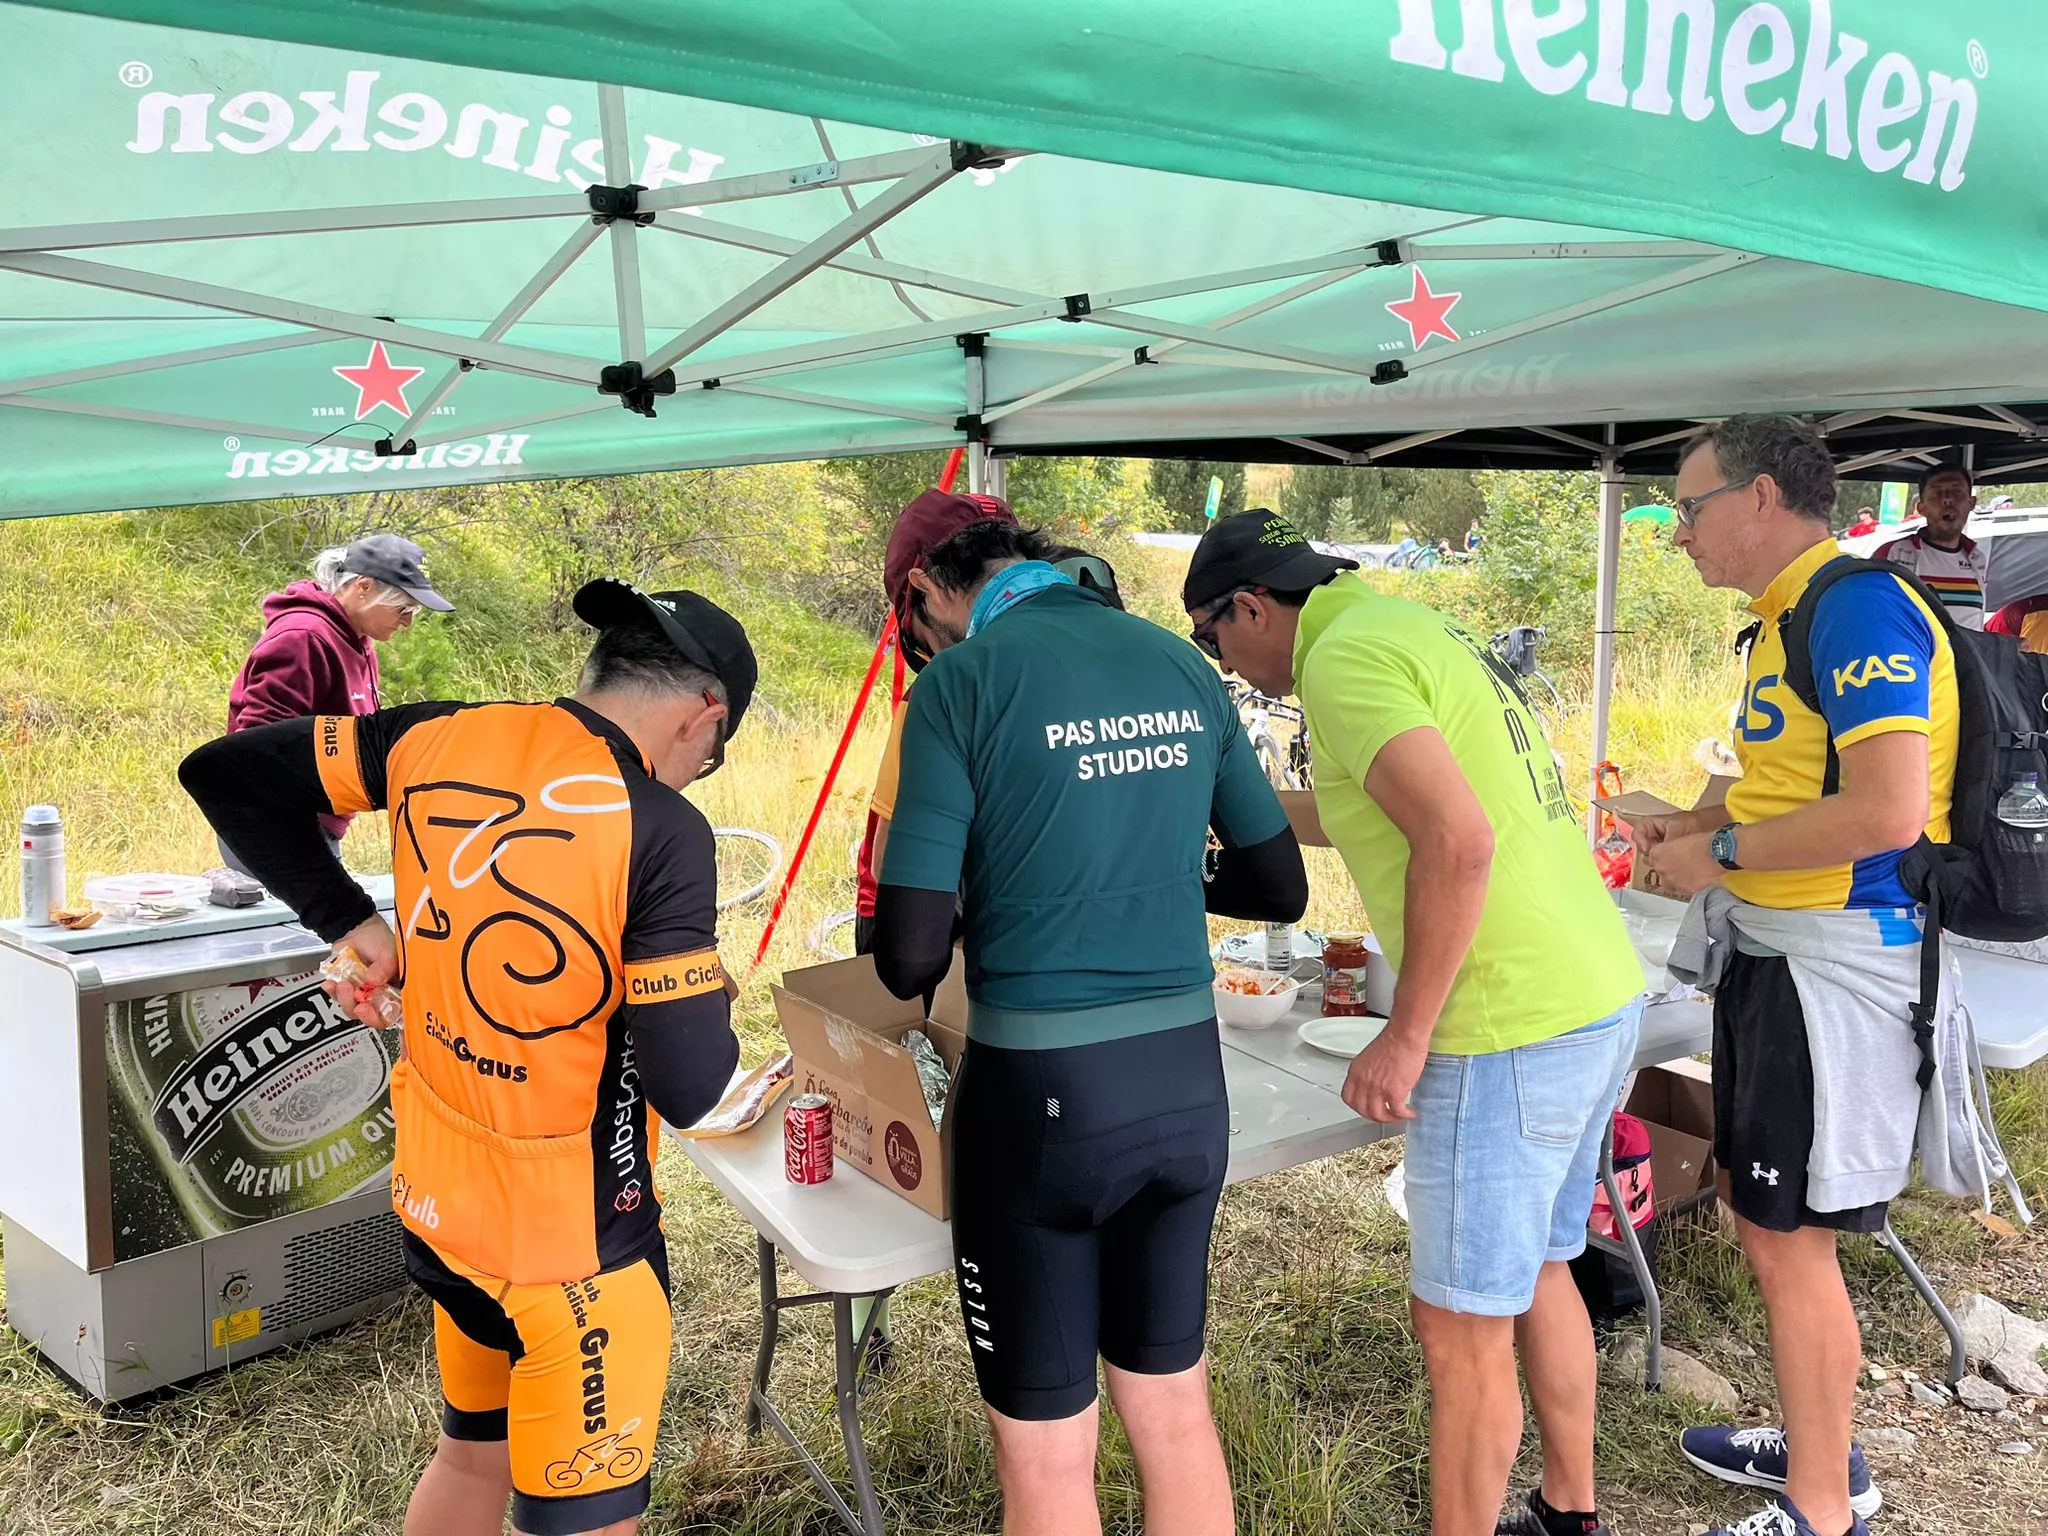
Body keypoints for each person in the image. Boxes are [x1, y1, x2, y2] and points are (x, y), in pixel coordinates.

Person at [180, 579, 753, 1536]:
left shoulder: (436, 734)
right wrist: (706, 1000)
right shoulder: (661, 827)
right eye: (713, 758)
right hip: (579, 1254)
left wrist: (353, 923)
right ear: (707, 714)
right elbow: (693, 1086)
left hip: (443, 1207)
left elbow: (223, 771)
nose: (696, 777)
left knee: (469, 1456)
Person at [1182, 509, 1646, 1536]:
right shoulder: (1398, 629)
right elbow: (1361, 804)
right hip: (1589, 991)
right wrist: (1218, 803)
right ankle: (1569, 1513)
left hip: (1506, 1022)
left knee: (1456, 1327)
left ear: (1248, 607)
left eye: (1213, 641)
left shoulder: (1340, 665)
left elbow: (1456, 839)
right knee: (1535, 1268)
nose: (1224, 664)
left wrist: (1406, 1033)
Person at [871, 517, 1306, 1536]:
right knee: (1170, 1405)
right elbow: (1276, 882)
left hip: (1037, 1103)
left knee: (1048, 1452)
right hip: (1185, 1088)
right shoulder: (1174, 660)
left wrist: (999, 875)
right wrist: (1150, 861)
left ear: (936, 586)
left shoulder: (960, 685)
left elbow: (906, 957)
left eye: (917, 622)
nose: (925, 644)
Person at [1640, 415, 1958, 1536]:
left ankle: (1823, 1505)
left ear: (1761, 496)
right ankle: (1815, 1439)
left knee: (1790, 1236)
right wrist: (1692, 818)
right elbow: (1789, 781)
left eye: (1688, 506)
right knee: (1756, 1205)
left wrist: (1713, 854)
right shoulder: (1779, 620)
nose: (1676, 531)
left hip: (1835, 965)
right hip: (1777, 955)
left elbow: (1880, 808)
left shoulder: (1854, 605)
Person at [222, 535, 454, 873]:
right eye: (403, 608)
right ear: (364, 586)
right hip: (279, 828)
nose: (408, 622)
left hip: (316, 825)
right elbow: (258, 747)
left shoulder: (358, 640)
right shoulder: (304, 637)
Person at [853, 489, 1020, 957]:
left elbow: (891, 859)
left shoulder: (942, 689)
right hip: (922, 923)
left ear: (924, 589)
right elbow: (891, 862)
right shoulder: (1034, 678)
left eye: (916, 635)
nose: (931, 655)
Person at [1873, 463, 1988, 628]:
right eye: (1937, 493)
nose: (1947, 499)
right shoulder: (1893, 554)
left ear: (1971, 502)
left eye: (1956, 491)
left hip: (1968, 654)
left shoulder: (1977, 559)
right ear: (1921, 508)